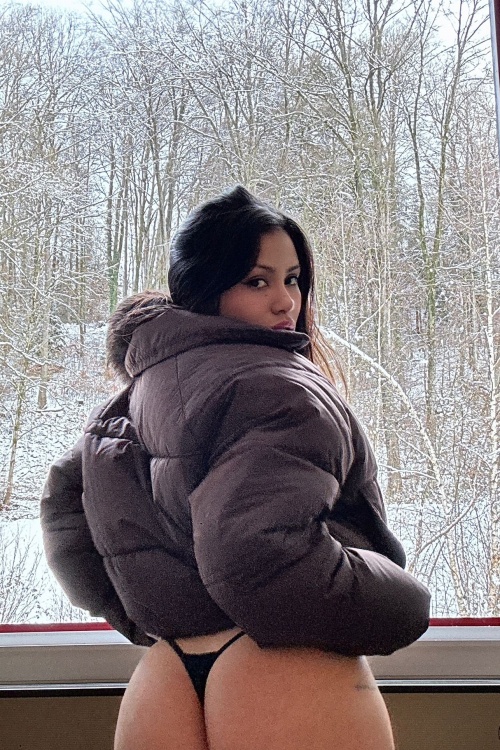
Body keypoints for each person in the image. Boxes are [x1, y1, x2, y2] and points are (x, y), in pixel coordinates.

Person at [41, 185, 430, 750]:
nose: (285, 302)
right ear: (204, 287)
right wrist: (401, 605)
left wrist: (158, 612)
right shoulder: (280, 389)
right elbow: (254, 552)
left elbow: (65, 512)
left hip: (167, 674)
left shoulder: (137, 392)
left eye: (293, 278)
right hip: (284, 670)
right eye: (257, 281)